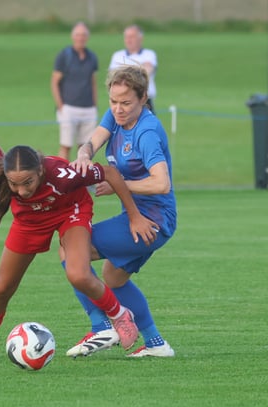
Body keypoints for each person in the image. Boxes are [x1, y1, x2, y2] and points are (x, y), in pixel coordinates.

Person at [0, 138, 157, 359]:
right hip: (30, 221)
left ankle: (120, 316)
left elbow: (110, 173)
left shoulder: (62, 175)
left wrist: (134, 216)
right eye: (14, 184)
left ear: (41, 171)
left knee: (78, 275)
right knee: (3, 286)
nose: (21, 191)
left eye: (28, 182)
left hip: (70, 211)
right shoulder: (2, 171)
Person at [65, 64, 176, 358]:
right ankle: (156, 344)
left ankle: (101, 326)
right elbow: (93, 141)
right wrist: (84, 154)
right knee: (113, 278)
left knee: (71, 249)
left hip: (153, 220)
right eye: (113, 101)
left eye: (126, 102)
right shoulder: (115, 117)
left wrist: (118, 185)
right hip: (138, 217)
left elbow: (162, 183)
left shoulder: (147, 132)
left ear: (142, 99)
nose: (118, 109)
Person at [51, 21, 98, 161]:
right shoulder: (65, 56)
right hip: (69, 107)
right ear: (73, 37)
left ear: (87, 37)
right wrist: (61, 106)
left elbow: (93, 81)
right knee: (66, 145)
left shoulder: (92, 57)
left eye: (83, 35)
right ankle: (62, 177)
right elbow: (54, 81)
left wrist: (94, 104)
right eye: (78, 35)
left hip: (88, 107)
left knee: (85, 147)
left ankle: (83, 179)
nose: (81, 38)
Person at [109, 24, 158, 113]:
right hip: (122, 101)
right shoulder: (117, 56)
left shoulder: (149, 54)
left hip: (144, 101)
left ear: (140, 38)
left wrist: (124, 71)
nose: (128, 40)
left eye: (132, 37)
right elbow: (113, 77)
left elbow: (147, 72)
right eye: (126, 37)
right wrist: (139, 68)